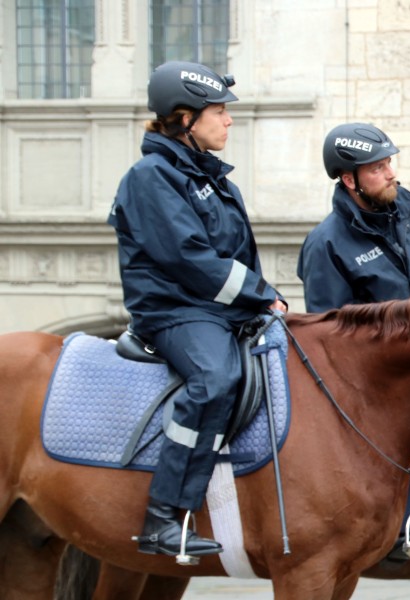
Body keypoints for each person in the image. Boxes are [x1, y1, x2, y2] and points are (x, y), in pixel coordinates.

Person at [108, 61, 287, 558]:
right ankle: (164, 515)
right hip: (174, 312)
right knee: (216, 379)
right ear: (185, 118)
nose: (228, 120)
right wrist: (259, 292)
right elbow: (189, 258)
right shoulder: (150, 177)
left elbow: (234, 255)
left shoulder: (211, 177)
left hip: (214, 310)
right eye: (218, 111)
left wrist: (259, 298)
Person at [297, 122, 410, 562]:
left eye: (390, 163)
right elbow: (331, 335)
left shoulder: (405, 219)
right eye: (378, 167)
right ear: (350, 180)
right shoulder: (325, 244)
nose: (390, 174)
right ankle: (402, 527)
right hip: (380, 383)